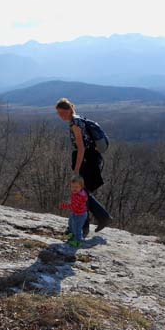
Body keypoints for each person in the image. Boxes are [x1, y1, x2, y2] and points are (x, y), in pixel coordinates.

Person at [56, 98, 112, 235]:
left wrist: (76, 170)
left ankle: (84, 227)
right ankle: (99, 220)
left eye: (62, 112)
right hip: (90, 158)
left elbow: (81, 148)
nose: (61, 116)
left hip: (85, 160)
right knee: (83, 193)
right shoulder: (78, 120)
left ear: (69, 110)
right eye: (58, 113)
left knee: (81, 193)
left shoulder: (75, 124)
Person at [59, 175, 89, 247]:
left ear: (81, 187)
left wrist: (63, 206)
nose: (74, 189)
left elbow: (73, 206)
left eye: (76, 187)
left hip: (80, 215)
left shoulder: (79, 196)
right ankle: (72, 235)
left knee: (77, 228)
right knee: (71, 224)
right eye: (72, 187)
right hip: (75, 212)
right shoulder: (77, 193)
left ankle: (78, 242)